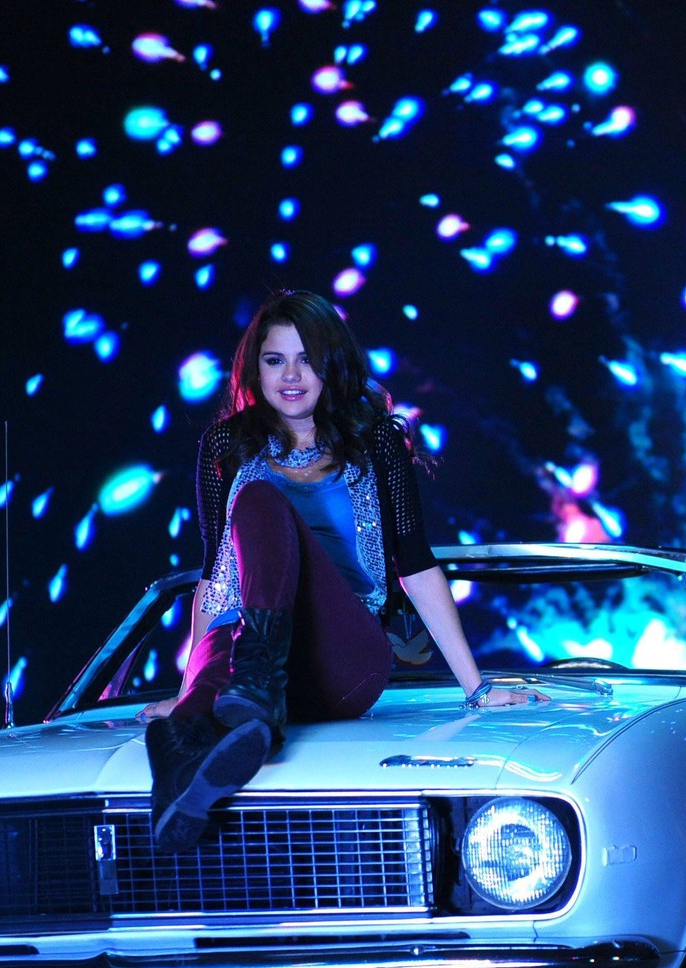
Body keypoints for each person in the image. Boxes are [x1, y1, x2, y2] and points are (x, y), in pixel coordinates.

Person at [146, 289, 542, 853]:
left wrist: (476, 688)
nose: (291, 375)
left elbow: (416, 563)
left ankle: (234, 703)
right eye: (275, 359)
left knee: (258, 500)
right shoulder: (226, 444)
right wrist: (188, 689)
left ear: (333, 363)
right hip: (240, 651)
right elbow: (215, 574)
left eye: (307, 358)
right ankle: (187, 745)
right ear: (254, 368)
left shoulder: (376, 439)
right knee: (214, 681)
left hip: (339, 654)